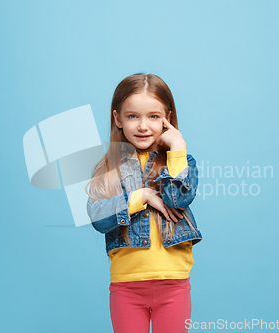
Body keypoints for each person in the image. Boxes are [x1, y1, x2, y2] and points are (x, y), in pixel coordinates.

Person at [86, 73, 203, 333]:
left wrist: (178, 149)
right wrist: (142, 196)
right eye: (132, 116)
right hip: (126, 287)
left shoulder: (182, 161)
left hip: (173, 284)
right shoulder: (108, 167)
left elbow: (178, 198)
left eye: (153, 116)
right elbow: (97, 217)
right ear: (117, 118)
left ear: (168, 119)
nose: (143, 126)